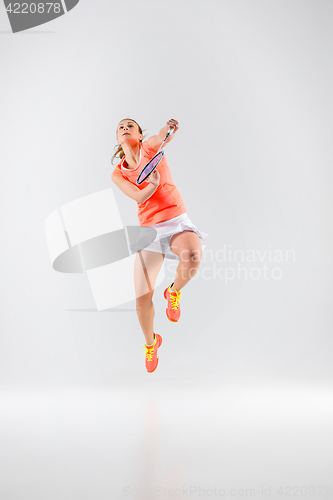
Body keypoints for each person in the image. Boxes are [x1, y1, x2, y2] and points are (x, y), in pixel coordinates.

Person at [111, 118, 208, 373]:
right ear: (117, 138)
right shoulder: (118, 173)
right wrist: (152, 184)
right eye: (121, 127)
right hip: (150, 232)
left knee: (193, 255)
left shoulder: (151, 148)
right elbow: (137, 195)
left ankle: (173, 292)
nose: (125, 128)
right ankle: (152, 343)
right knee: (142, 299)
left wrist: (169, 131)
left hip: (176, 220)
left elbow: (163, 136)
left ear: (140, 135)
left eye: (130, 125)